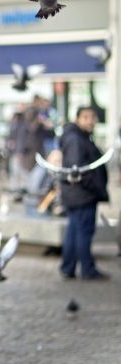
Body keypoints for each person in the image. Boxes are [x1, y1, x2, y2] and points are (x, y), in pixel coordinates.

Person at [59, 107, 110, 281]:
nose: (90, 121)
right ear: (77, 119)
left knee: (74, 232)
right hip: (82, 194)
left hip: (78, 194)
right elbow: (77, 170)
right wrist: (95, 188)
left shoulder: (80, 138)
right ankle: (87, 269)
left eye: (92, 117)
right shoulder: (76, 140)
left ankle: (68, 267)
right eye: (86, 117)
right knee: (83, 233)